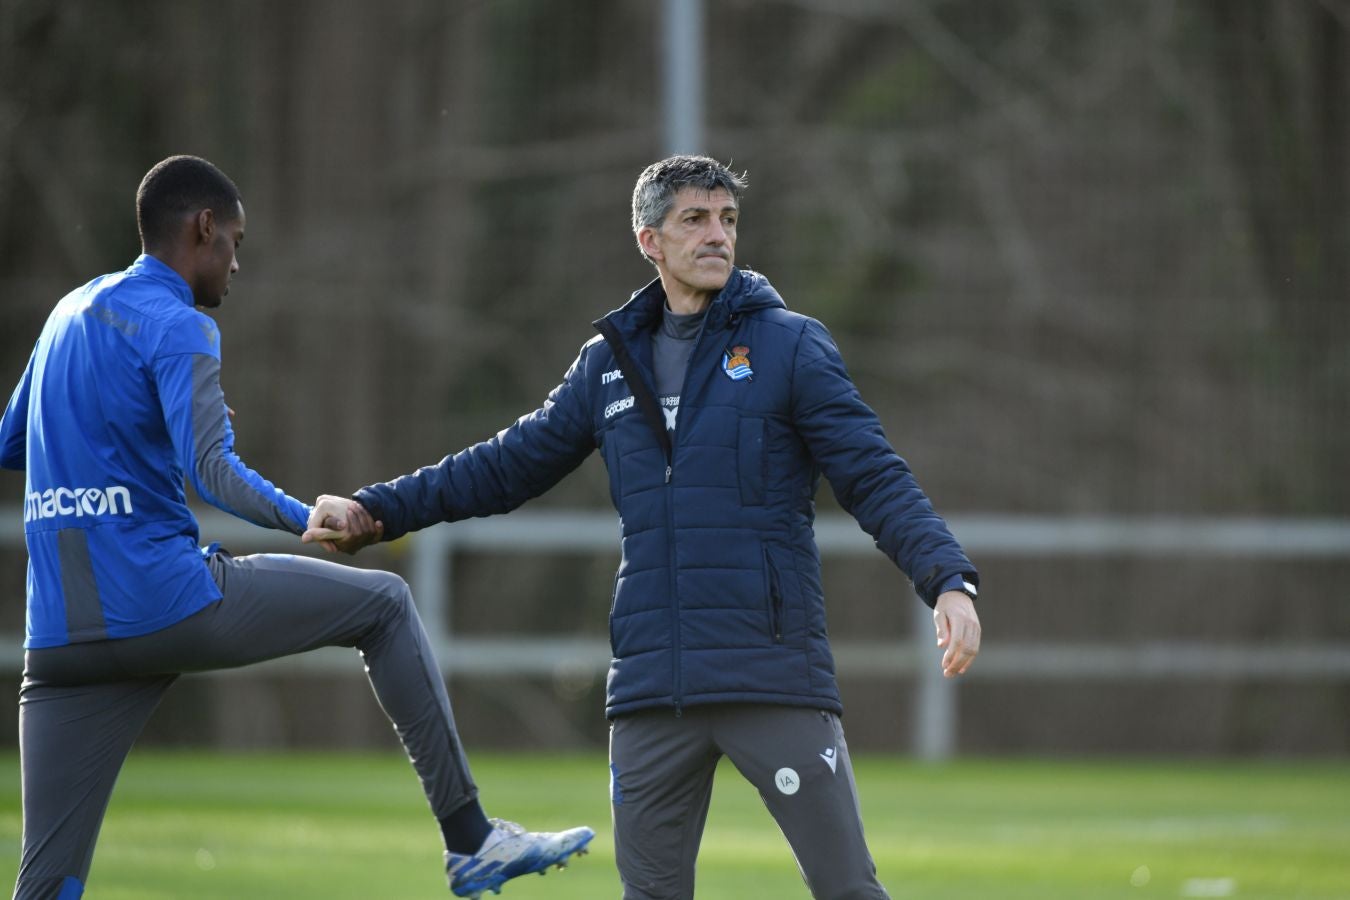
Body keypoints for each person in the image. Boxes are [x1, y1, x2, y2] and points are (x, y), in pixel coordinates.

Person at [307, 155, 982, 900]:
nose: (717, 235)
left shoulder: (791, 346)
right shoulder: (608, 364)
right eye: (694, 219)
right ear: (648, 241)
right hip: (652, 691)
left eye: (727, 219)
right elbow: (504, 465)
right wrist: (377, 511)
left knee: (848, 889)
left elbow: (875, 475)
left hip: (771, 674)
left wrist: (945, 579)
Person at [0, 155, 593, 900]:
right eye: (235, 243)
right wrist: (303, 516)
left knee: (45, 886)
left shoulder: (66, 314)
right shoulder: (179, 323)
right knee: (383, 605)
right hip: (163, 603)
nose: (237, 264)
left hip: (57, 643)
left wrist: (141, 418)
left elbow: (12, 443)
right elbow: (212, 472)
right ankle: (472, 842)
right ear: (203, 227)